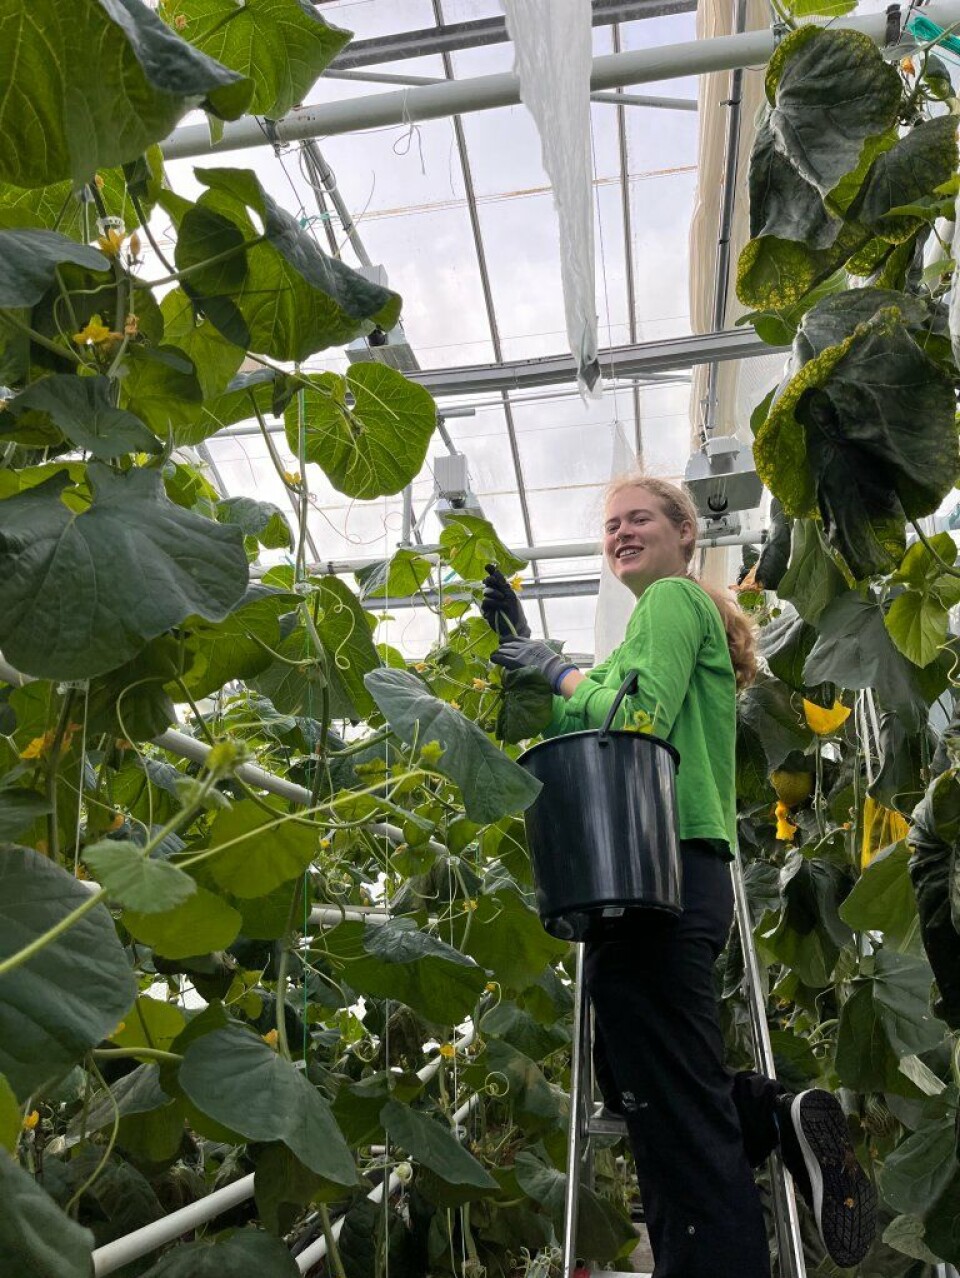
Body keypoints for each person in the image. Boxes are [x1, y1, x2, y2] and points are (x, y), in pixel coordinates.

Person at [480, 474, 876, 1278]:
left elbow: (631, 719)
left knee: (678, 1130)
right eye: (611, 524)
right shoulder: (648, 627)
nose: (621, 532)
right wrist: (526, 659)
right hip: (660, 872)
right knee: (643, 1082)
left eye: (640, 519)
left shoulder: (672, 602)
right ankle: (774, 1115)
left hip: (655, 870)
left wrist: (552, 668)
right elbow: (591, 711)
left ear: (685, 533)